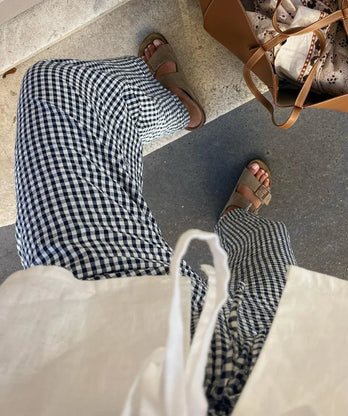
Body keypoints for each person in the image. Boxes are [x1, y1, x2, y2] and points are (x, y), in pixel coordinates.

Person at [14, 33, 295, 414]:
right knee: (268, 258)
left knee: (58, 90)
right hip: (252, 376)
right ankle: (235, 217)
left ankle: (178, 110)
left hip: (95, 339)